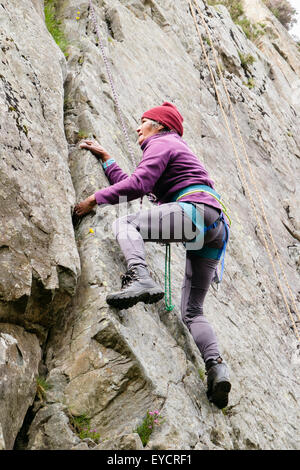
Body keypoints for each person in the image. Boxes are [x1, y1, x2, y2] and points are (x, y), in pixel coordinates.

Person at [74, 102, 231, 409]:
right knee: (193, 311)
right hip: (213, 225)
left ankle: (140, 277)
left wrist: (94, 199)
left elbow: (138, 185)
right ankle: (216, 368)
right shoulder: (172, 147)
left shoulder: (162, 142)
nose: (137, 128)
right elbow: (136, 185)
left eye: (143, 122)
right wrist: (107, 159)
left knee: (125, 223)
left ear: (159, 126)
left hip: (193, 212)